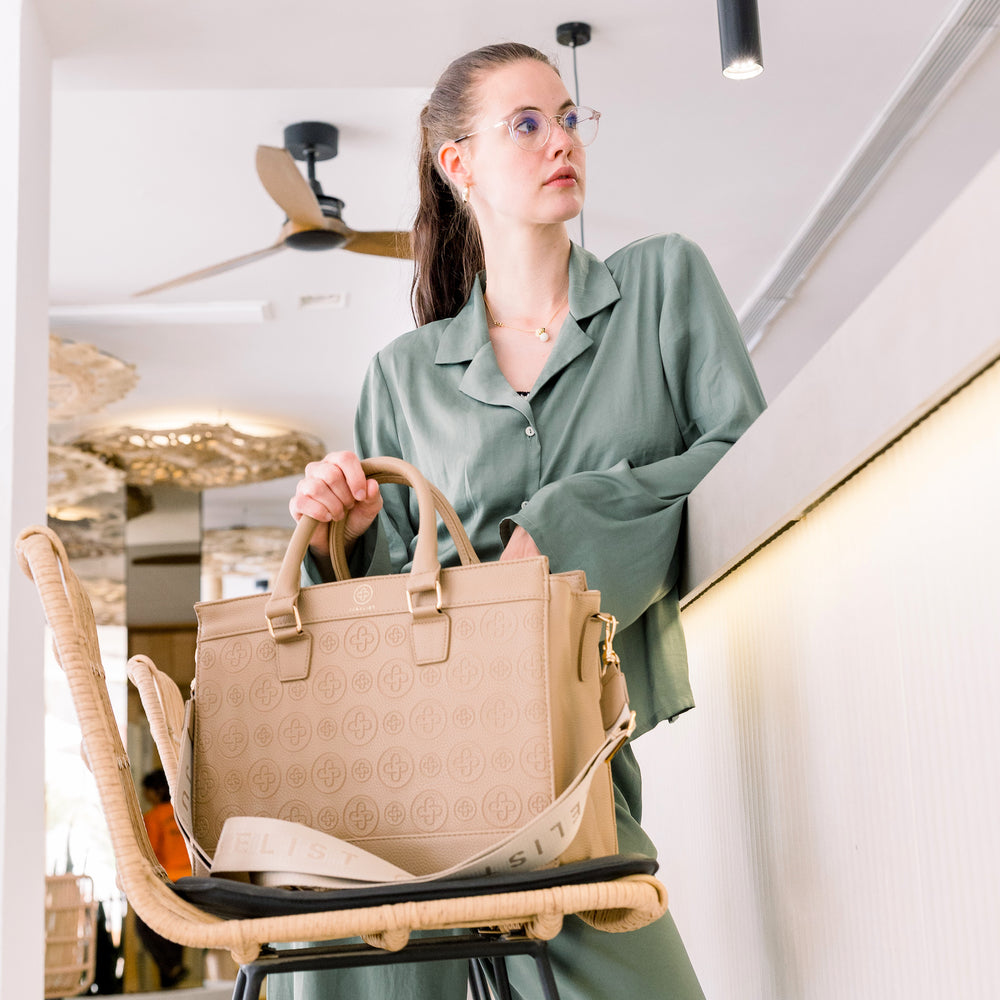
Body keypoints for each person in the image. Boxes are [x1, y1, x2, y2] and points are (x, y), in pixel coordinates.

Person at [283, 41, 766, 1000]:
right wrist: (339, 528)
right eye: (528, 124)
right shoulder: (402, 374)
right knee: (341, 966)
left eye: (569, 118)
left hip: (570, 759)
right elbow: (372, 601)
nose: (562, 141)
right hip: (405, 766)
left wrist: (575, 524)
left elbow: (747, 456)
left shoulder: (662, 285)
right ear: (457, 164)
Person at [136, 769, 191, 989]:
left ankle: (171, 970)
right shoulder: (183, 812)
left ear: (156, 791)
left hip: (167, 880)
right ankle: (173, 972)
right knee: (176, 926)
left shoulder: (153, 818)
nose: (145, 795)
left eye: (147, 791)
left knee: (144, 925)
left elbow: (151, 853)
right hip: (192, 880)